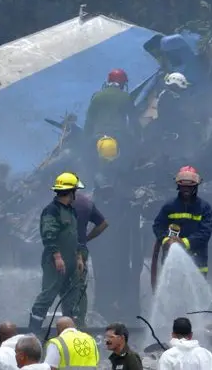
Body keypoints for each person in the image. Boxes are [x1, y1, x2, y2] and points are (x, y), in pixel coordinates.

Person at [28, 173, 85, 330]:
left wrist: (79, 257)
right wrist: (57, 256)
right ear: (70, 191)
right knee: (48, 295)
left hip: (71, 262)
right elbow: (48, 235)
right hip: (55, 263)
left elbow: (75, 236)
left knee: (71, 299)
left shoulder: (71, 211)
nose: (76, 194)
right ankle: (33, 333)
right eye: (75, 191)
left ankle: (69, 333)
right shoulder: (51, 211)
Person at [151, 166, 212, 291]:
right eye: (183, 186)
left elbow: (205, 233)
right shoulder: (169, 206)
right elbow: (158, 225)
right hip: (172, 263)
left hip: (198, 262)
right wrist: (166, 240)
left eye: (189, 186)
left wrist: (184, 242)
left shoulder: (204, 208)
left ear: (195, 186)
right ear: (178, 186)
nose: (186, 189)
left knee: (197, 298)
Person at [83, 69, 140, 162]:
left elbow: (89, 121)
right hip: (119, 136)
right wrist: (138, 138)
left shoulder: (97, 96)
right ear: (122, 83)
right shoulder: (125, 97)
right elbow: (133, 121)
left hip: (97, 136)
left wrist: (86, 140)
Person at [71, 191, 108, 327]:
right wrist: (87, 238)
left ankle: (67, 321)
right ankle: (80, 323)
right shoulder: (86, 203)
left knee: (61, 287)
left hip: (65, 250)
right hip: (81, 248)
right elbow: (103, 224)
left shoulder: (62, 204)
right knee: (79, 287)